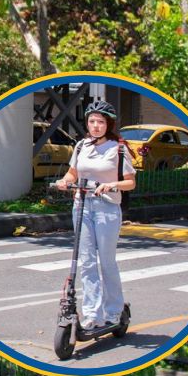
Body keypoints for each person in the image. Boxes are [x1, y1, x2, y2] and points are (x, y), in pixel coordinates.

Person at [54, 99, 137, 330]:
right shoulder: (81, 146)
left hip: (107, 208)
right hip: (82, 205)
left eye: (100, 122)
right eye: (92, 121)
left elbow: (130, 183)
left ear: (108, 124)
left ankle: (114, 311)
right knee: (86, 262)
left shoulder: (118, 148)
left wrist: (111, 185)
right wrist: (64, 181)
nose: (95, 126)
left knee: (106, 262)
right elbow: (73, 173)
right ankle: (92, 314)